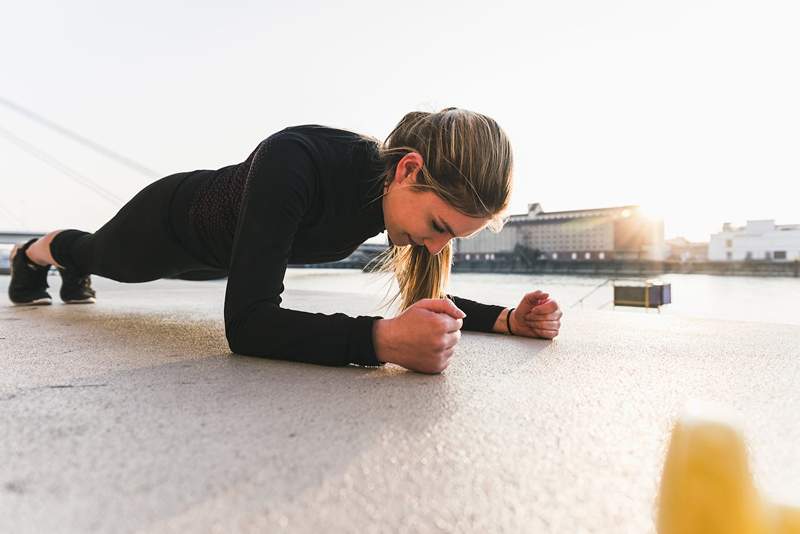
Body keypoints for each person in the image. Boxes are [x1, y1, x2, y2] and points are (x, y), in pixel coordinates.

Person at [7, 107, 562, 374]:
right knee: (96, 255)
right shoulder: (299, 160)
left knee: (100, 258)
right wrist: (383, 343)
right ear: (409, 170)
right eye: (440, 228)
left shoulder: (396, 203)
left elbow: (423, 300)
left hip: (220, 258)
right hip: (168, 225)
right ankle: (30, 254)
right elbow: (247, 326)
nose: (436, 247)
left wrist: (508, 319)